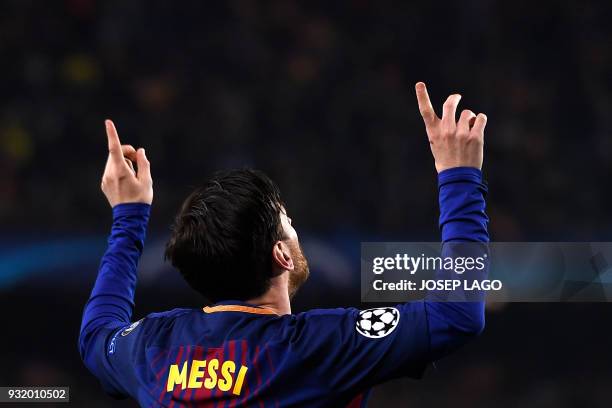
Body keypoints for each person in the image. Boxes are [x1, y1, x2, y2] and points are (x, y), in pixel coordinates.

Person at [79, 82, 489, 407]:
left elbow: (97, 335)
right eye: (286, 222)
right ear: (281, 255)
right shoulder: (314, 347)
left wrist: (129, 216)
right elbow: (456, 314)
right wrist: (458, 175)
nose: (295, 228)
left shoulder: (154, 346)